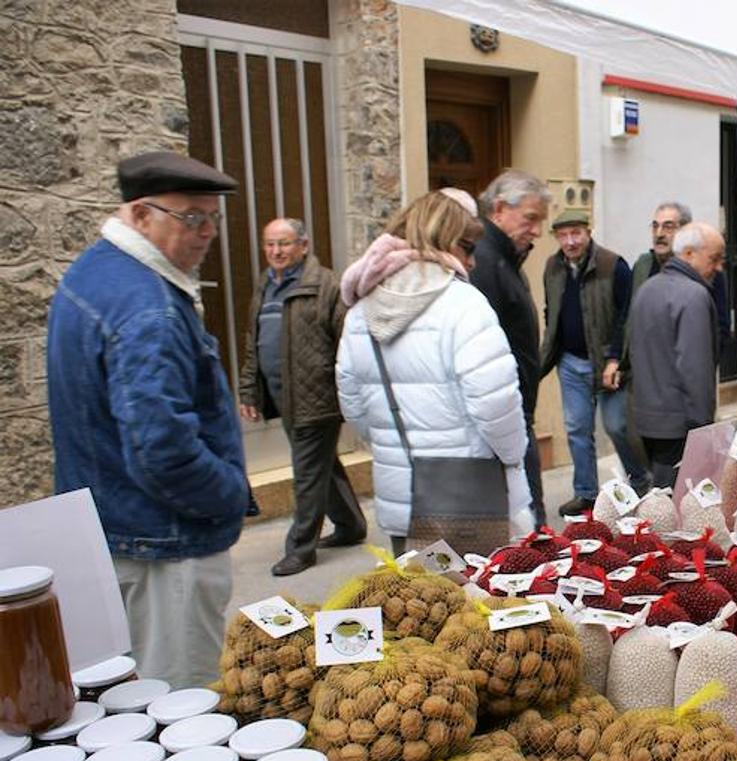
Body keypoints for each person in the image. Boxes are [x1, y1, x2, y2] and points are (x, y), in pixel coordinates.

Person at [47, 151, 249, 690]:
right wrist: (230, 491)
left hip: (122, 529)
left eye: (213, 218)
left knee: (137, 697)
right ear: (140, 214)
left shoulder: (94, 273)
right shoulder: (146, 308)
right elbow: (163, 452)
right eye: (191, 218)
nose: (207, 232)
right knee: (179, 703)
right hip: (164, 547)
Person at [336, 191, 531, 555]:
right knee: (479, 606)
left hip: (401, 497)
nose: (472, 262)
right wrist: (515, 454)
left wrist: (393, 441)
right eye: (469, 248)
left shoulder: (359, 313)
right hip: (470, 498)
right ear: (446, 241)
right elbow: (496, 403)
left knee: (417, 605)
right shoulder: (464, 305)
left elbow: (354, 407)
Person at [238, 217, 365, 576]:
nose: (276, 251)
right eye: (270, 244)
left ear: (304, 246)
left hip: (318, 399)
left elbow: (348, 344)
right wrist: (249, 389)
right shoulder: (266, 285)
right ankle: (351, 525)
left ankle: (300, 548)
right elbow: (254, 341)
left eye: (284, 243)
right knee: (322, 466)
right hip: (283, 398)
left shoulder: (326, 285)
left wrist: (344, 391)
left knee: (306, 473)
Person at [541, 209, 650, 514]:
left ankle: (640, 480)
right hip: (570, 362)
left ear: (589, 232)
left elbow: (626, 317)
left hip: (607, 363)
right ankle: (586, 492)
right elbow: (551, 310)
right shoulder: (552, 267)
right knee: (577, 429)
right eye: (563, 235)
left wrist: (615, 358)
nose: (570, 241)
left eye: (576, 233)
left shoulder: (612, 265)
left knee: (617, 426)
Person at [471, 169, 548, 528]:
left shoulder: (506, 259)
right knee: (527, 528)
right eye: (531, 219)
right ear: (499, 208)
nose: (536, 231)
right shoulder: (485, 262)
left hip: (516, 415)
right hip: (505, 422)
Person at [628, 221, 724, 488]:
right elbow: (696, 368)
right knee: (680, 507)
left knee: (661, 499)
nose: (718, 267)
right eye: (714, 258)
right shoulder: (694, 295)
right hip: (680, 423)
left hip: (647, 418)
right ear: (689, 254)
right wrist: (705, 430)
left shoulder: (647, 289)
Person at [632, 201, 732, 352]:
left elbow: (720, 329)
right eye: (655, 226)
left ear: (684, 230)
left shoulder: (707, 270)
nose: (659, 234)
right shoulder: (642, 265)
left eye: (668, 227)